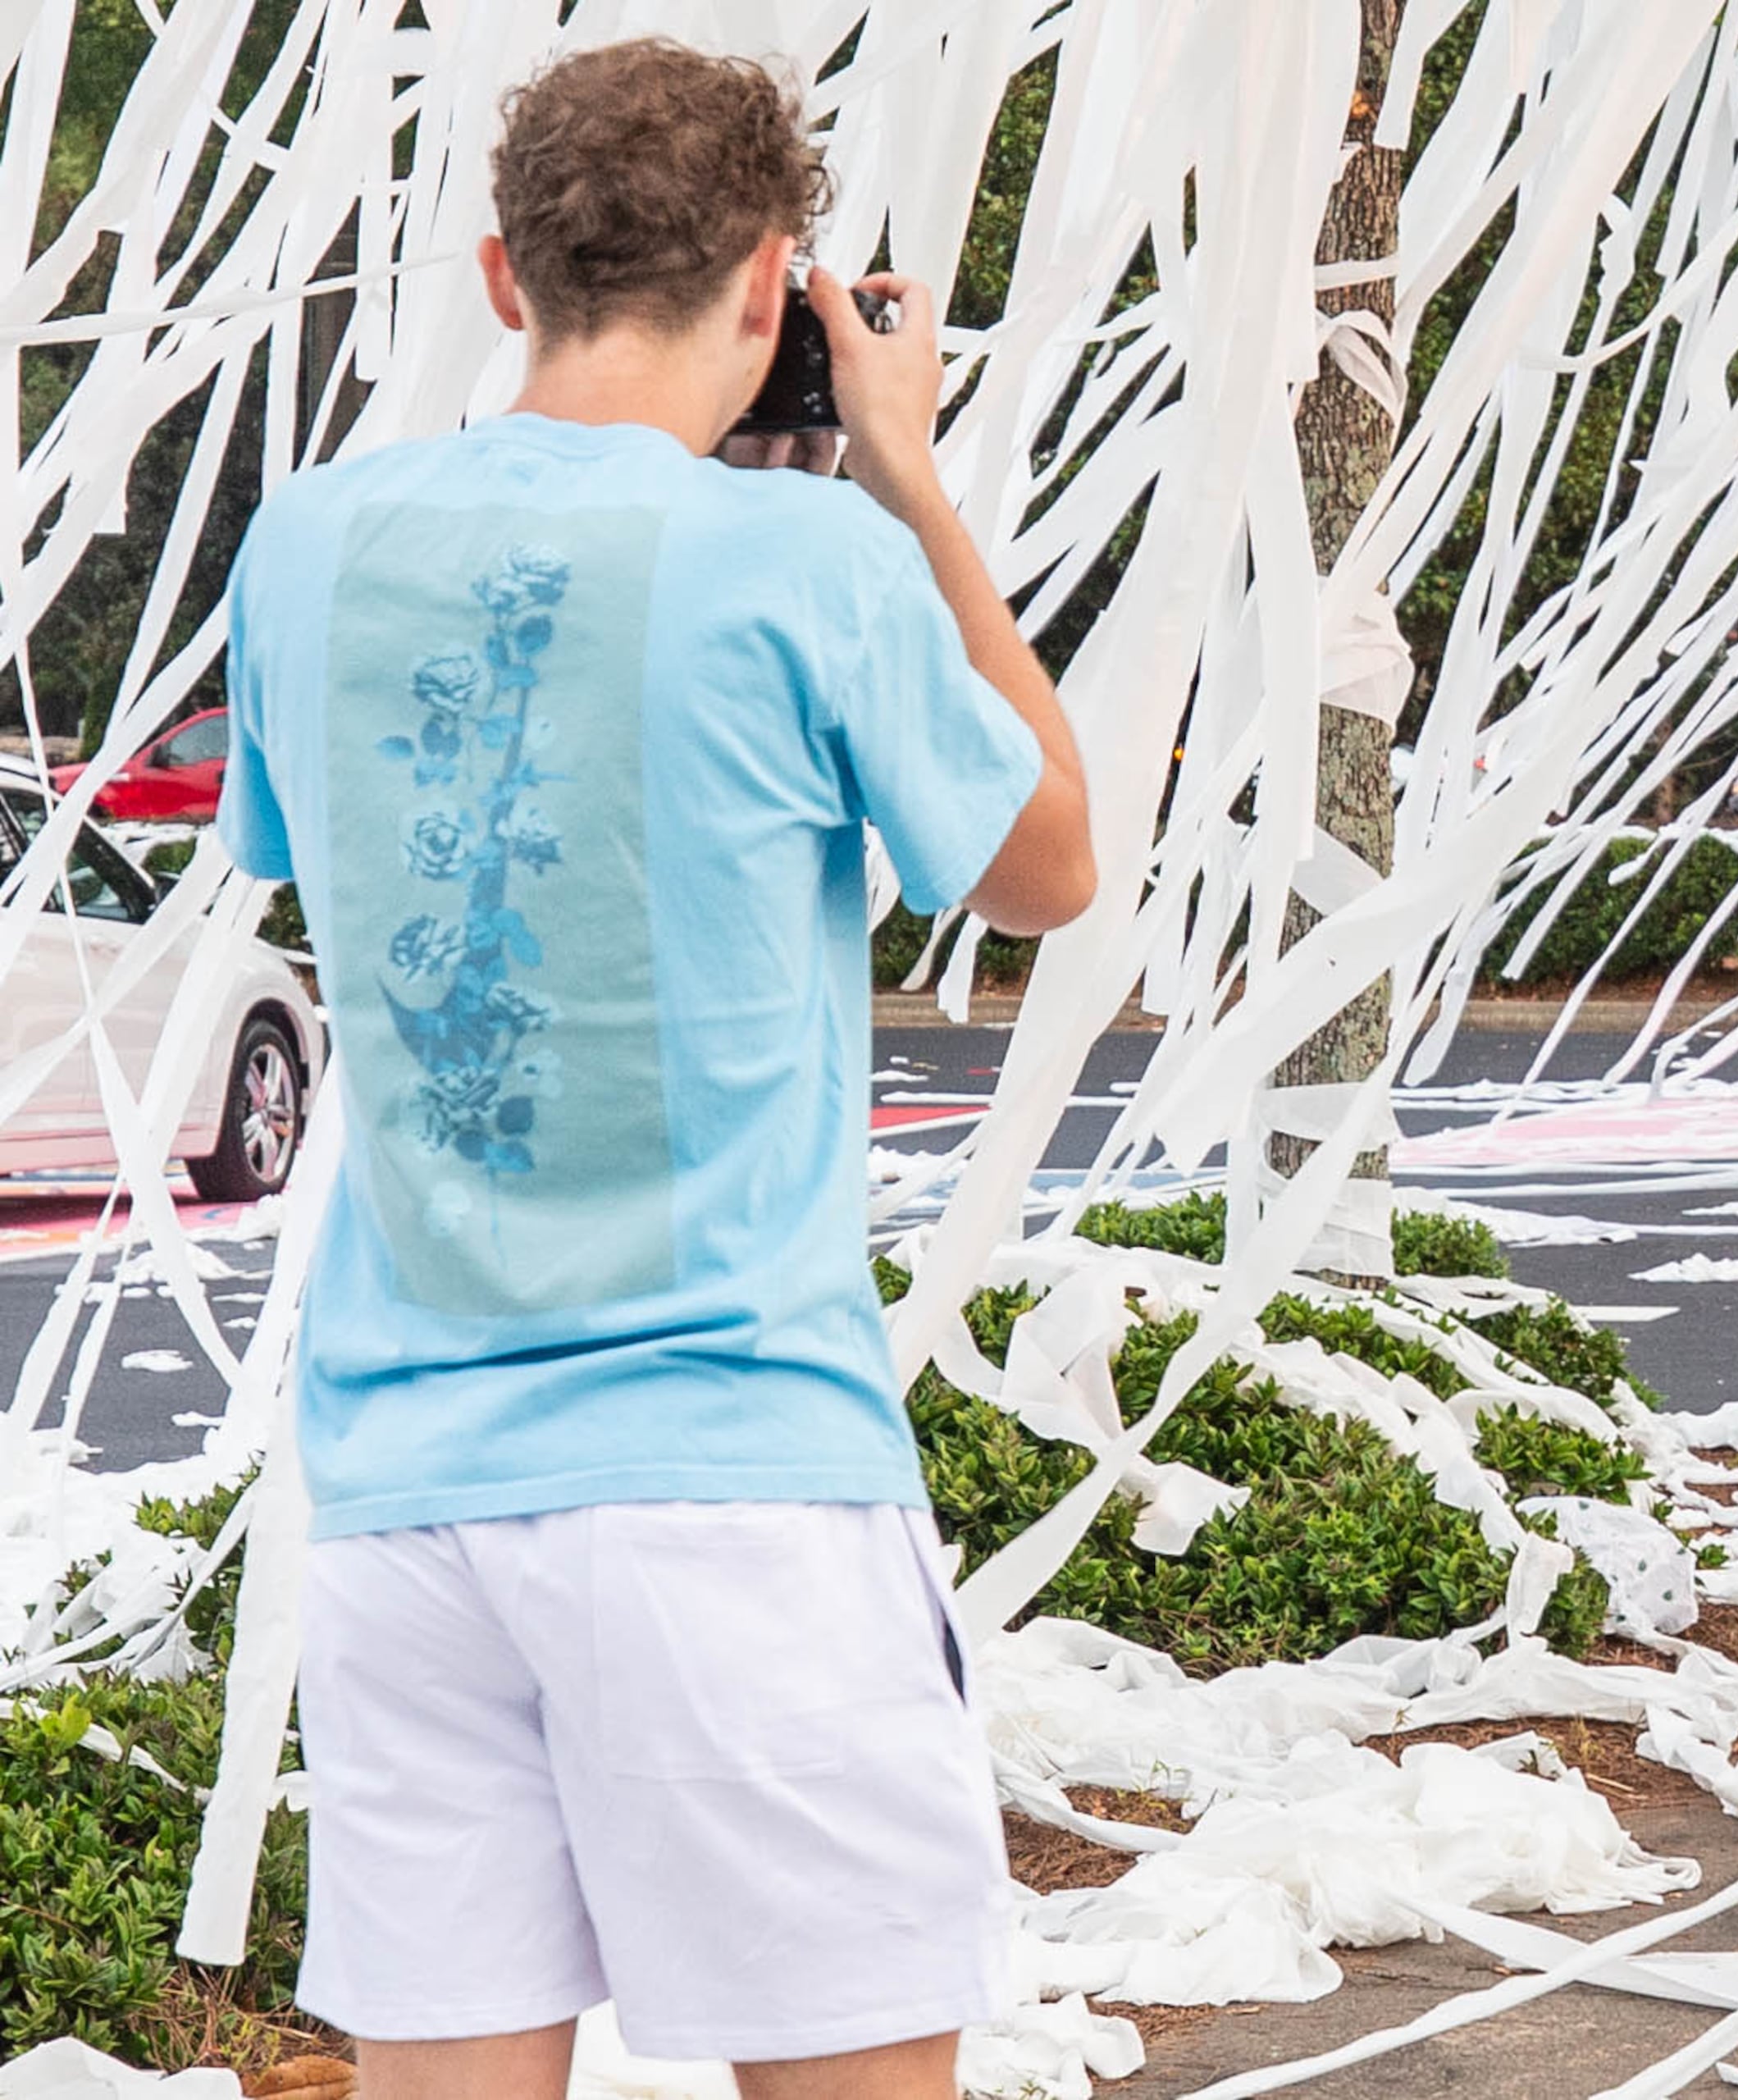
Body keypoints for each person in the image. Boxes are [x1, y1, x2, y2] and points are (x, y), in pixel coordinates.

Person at [216, 39, 1095, 2100]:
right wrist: (911, 480)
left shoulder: (305, 544)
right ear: (779, 282)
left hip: (406, 1500)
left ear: (504, 276)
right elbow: (1049, 866)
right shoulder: (812, 564)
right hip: (732, 1487)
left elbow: (292, 853)